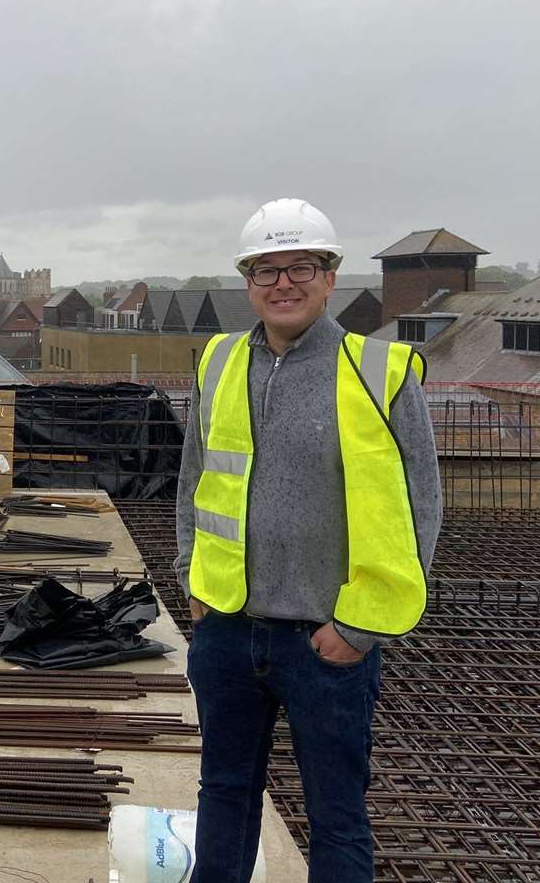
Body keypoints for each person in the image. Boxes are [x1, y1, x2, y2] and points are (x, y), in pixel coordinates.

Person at [174, 199, 441, 883]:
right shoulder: (220, 362)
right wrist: (193, 582)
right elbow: (194, 480)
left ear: (329, 278)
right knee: (225, 793)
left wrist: (360, 626)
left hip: (328, 642)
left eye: (301, 267)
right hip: (230, 631)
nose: (283, 282)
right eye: (266, 269)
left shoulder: (379, 372)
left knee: (337, 816)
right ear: (247, 282)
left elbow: (420, 510)